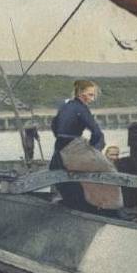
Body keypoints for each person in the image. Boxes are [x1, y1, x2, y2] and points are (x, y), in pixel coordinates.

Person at [50, 80, 106, 211]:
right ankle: (85, 206)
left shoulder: (65, 106)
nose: (92, 99)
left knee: (60, 177)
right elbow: (97, 133)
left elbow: (54, 125)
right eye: (90, 95)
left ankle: (71, 202)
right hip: (72, 150)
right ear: (81, 93)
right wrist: (92, 149)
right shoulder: (82, 108)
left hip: (59, 150)